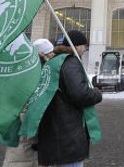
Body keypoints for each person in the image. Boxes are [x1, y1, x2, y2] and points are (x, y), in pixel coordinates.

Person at [36, 30, 102, 167]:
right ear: (77, 46)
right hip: (67, 135)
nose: (85, 50)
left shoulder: (53, 62)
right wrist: (96, 93)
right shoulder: (70, 62)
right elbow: (80, 94)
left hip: (54, 133)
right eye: (84, 46)